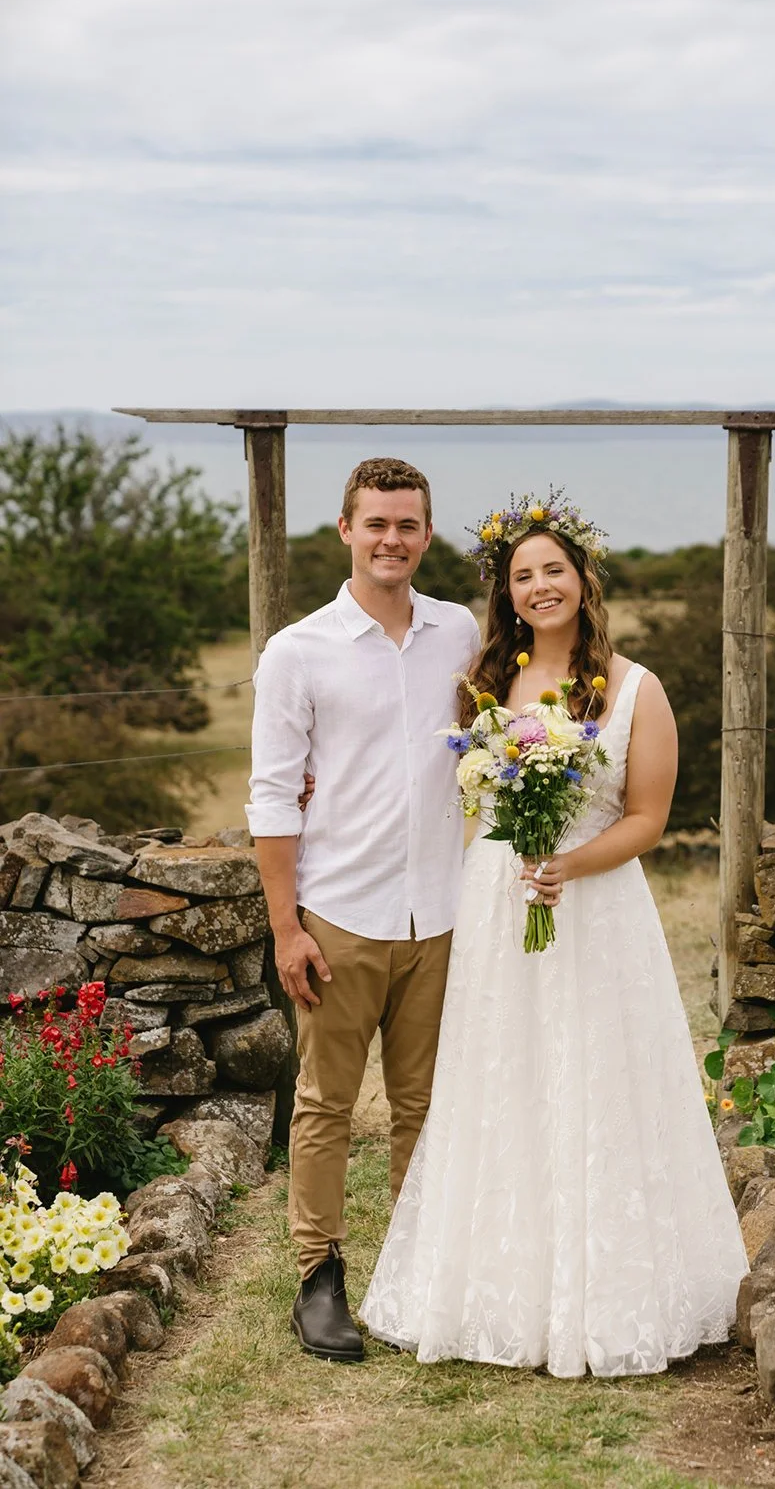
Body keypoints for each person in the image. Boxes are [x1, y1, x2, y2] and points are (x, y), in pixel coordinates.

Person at [360, 493, 748, 1377]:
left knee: (599, 1080)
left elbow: (649, 817)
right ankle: (500, 1283)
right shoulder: (486, 684)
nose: (539, 587)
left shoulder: (637, 688)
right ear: (506, 591)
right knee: (504, 1077)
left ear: (583, 581)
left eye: (554, 571)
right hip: (502, 904)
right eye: (521, 575)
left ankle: (609, 1293)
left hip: (599, 909)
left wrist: (569, 865)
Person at [246, 457, 480, 1363]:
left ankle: (418, 1274)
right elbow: (272, 798)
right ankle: (319, 1277)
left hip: (444, 915)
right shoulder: (298, 651)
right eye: (375, 523)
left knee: (428, 1106)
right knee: (325, 1105)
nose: (392, 539)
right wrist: (285, 927)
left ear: (426, 535)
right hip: (340, 914)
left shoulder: (458, 632)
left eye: (408, 525)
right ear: (345, 529)